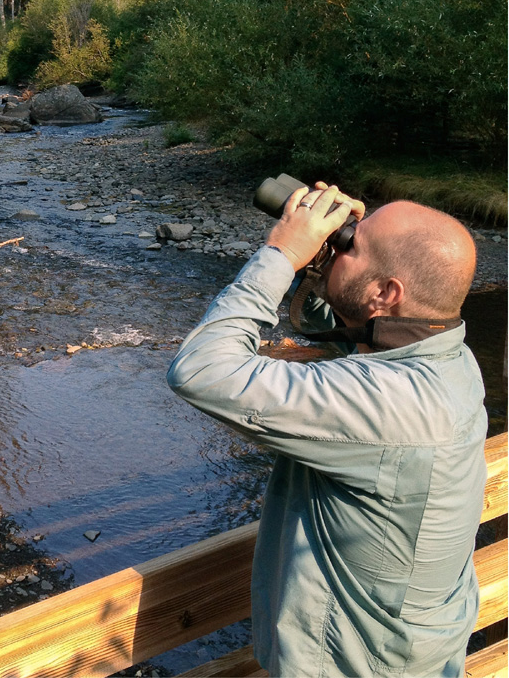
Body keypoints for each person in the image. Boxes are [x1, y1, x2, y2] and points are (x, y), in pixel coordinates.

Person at [167, 183, 487, 677]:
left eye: (350, 245)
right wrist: (321, 267)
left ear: (386, 293)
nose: (339, 245)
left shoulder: (391, 405)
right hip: (410, 653)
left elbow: (201, 370)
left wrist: (281, 253)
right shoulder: (447, 356)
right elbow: (349, 332)